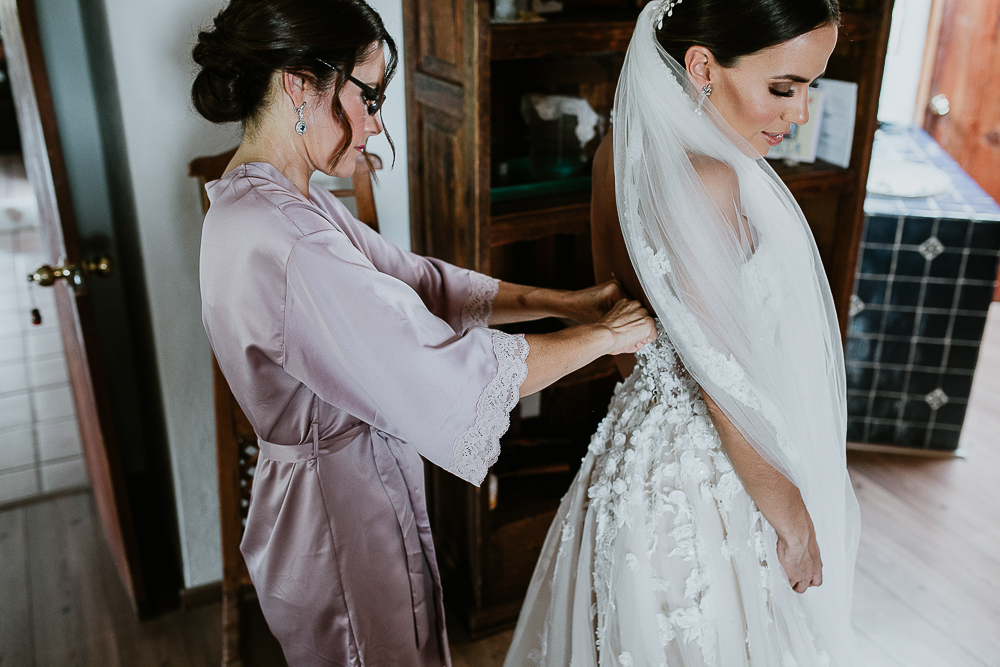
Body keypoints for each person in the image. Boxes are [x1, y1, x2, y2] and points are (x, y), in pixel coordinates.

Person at [191, 0, 657, 664]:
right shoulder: (284, 236)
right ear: (299, 81)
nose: (375, 126)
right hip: (337, 523)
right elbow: (442, 374)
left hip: (336, 496)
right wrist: (605, 336)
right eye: (369, 97)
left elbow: (423, 284)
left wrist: (571, 303)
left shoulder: (274, 198)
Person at [504, 0, 861, 665]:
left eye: (810, 86)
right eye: (783, 87)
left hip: (639, 451)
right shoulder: (709, 177)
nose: (800, 112)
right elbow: (722, 383)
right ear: (702, 66)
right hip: (710, 481)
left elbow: (619, 315)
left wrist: (657, 413)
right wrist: (794, 521)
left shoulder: (618, 150)